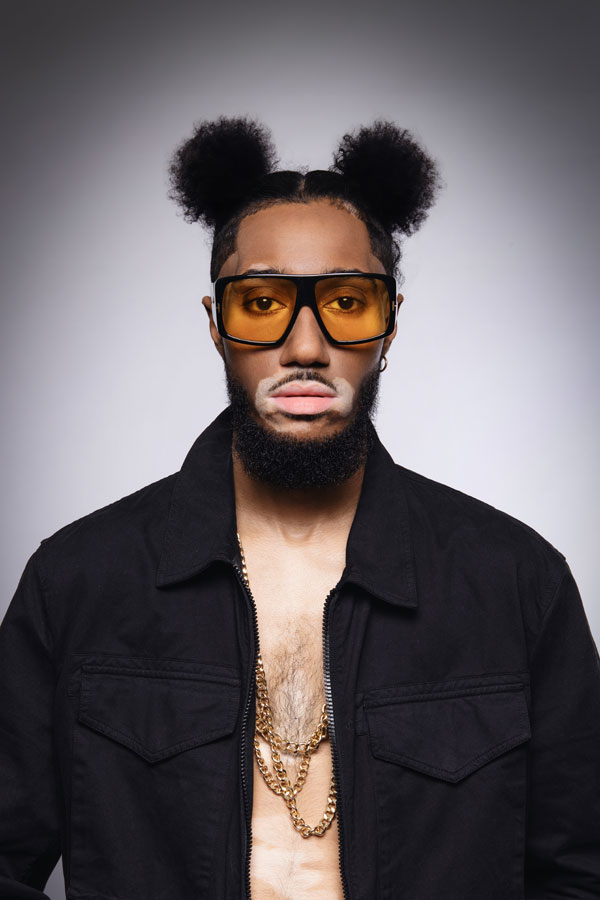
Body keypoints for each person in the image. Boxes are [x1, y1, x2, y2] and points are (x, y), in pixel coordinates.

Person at [1, 116, 599, 900]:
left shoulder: (515, 583)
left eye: (348, 302)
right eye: (262, 302)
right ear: (216, 327)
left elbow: (581, 871)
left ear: (390, 327)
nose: (306, 346)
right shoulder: (79, 580)